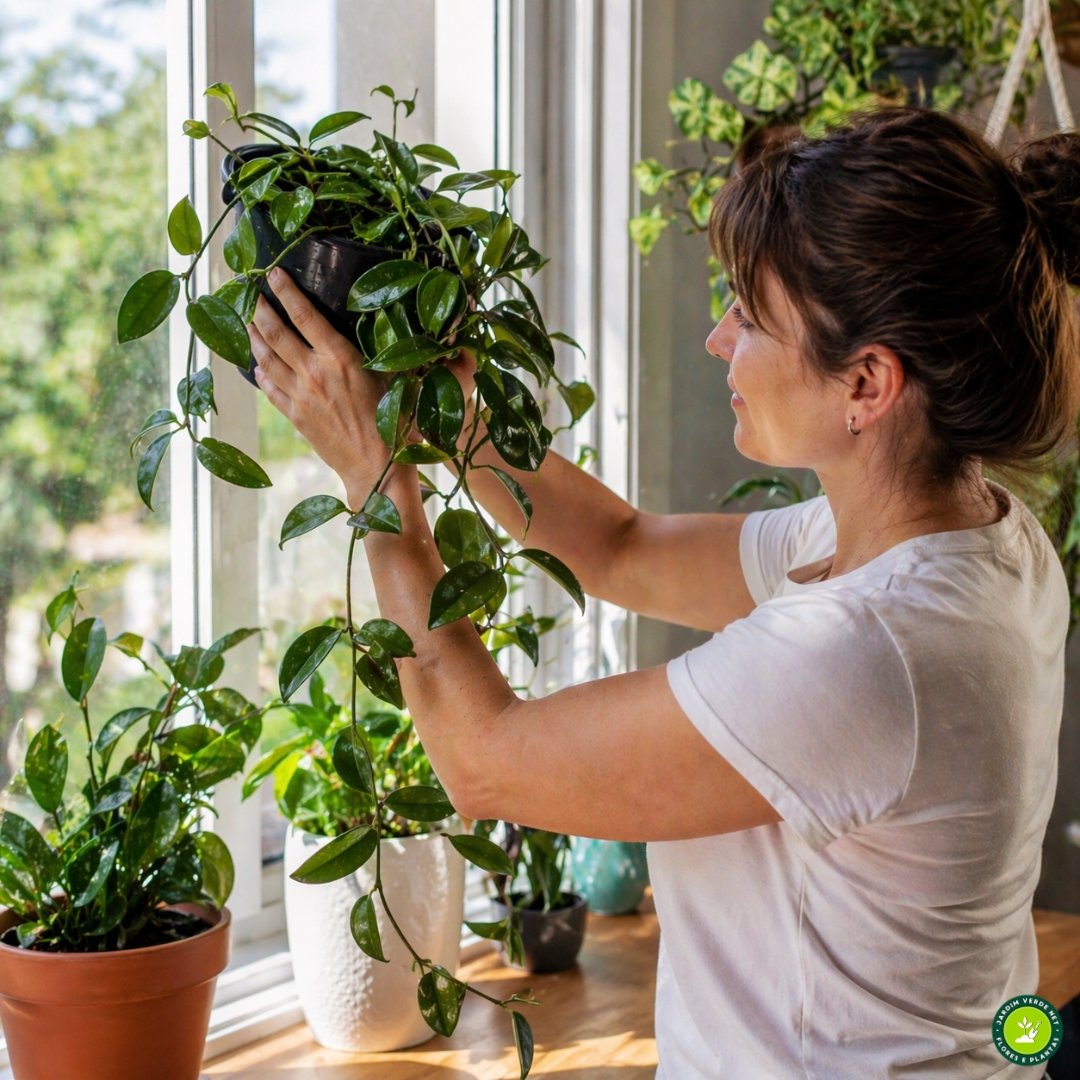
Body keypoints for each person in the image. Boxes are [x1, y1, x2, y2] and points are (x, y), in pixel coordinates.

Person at [246, 107, 1080, 1078]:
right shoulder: (970, 536)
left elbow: (483, 763)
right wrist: (445, 410)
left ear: (868, 384)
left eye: (751, 316)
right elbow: (618, 547)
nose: (719, 338)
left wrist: (372, 483)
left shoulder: (861, 651)